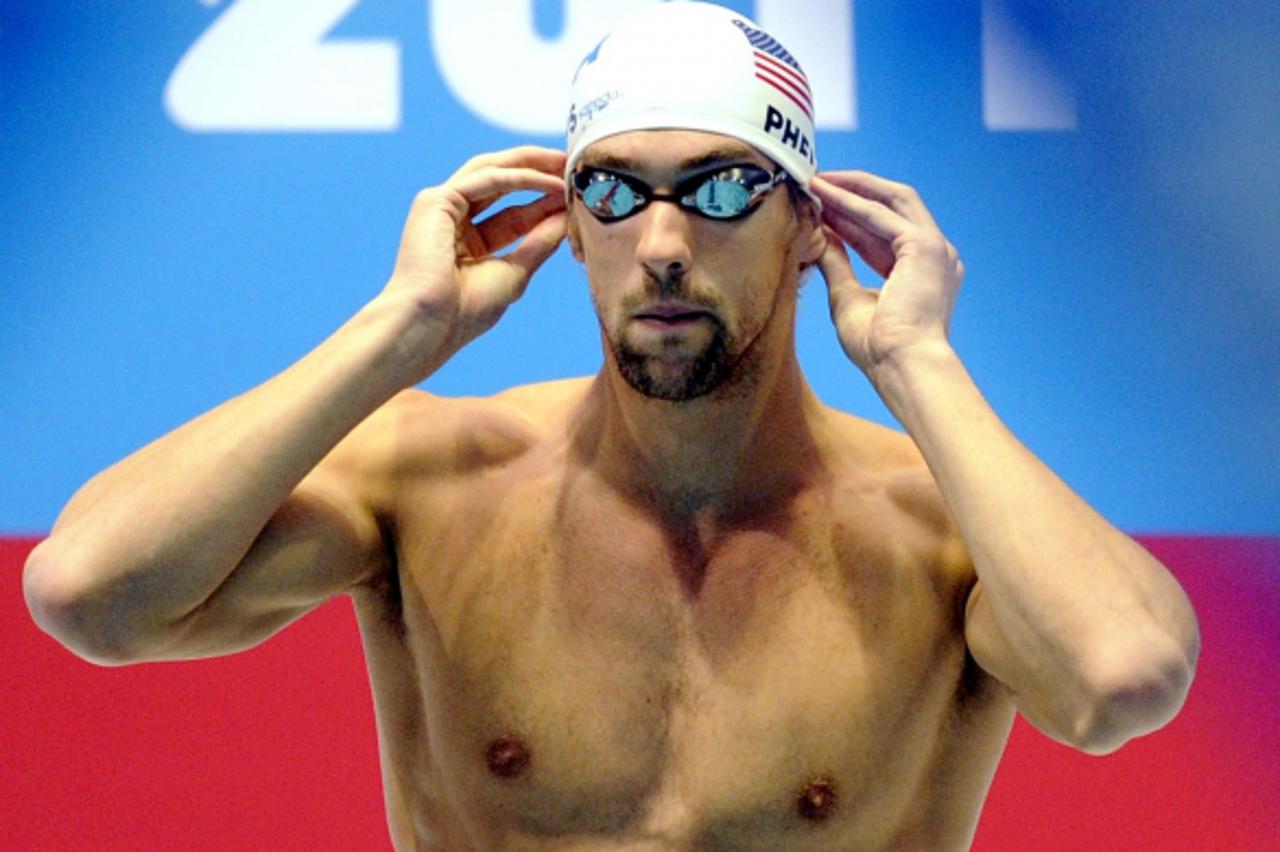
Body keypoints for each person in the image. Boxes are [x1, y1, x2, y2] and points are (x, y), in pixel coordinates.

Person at [24, 3, 1199, 849]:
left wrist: (918, 363)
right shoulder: (434, 482)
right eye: (615, 190)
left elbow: (1123, 677)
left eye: (724, 187)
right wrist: (398, 332)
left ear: (809, 226)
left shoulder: (933, 530)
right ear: (571, 226)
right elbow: (92, 594)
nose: (666, 242)